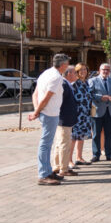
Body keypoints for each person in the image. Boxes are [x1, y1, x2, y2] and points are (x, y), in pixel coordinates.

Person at [29, 53, 70, 186]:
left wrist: (37, 111)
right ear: (63, 65)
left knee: (47, 144)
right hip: (50, 114)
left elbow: (35, 94)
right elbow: (46, 97)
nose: (68, 66)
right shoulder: (56, 77)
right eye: (67, 63)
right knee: (46, 144)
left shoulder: (45, 73)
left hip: (46, 113)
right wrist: (37, 111)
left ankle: (47, 171)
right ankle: (43, 174)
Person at [89, 63, 111, 162]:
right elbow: (89, 93)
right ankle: (96, 154)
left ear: (110, 71)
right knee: (96, 134)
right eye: (104, 69)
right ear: (99, 70)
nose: (105, 71)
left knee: (109, 134)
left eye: (107, 70)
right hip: (97, 110)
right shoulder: (92, 81)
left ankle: (109, 154)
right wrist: (100, 97)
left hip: (110, 111)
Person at [51, 65, 79, 178]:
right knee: (64, 144)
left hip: (65, 119)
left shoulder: (67, 83)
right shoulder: (63, 84)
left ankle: (57, 166)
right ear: (68, 74)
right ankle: (64, 168)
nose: (76, 75)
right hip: (64, 119)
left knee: (59, 144)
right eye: (74, 73)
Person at [70, 63, 93, 167]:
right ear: (77, 72)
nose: (83, 71)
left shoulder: (87, 83)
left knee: (82, 137)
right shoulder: (74, 84)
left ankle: (79, 157)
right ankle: (69, 160)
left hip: (86, 115)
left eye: (85, 69)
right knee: (73, 138)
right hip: (77, 115)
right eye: (81, 70)